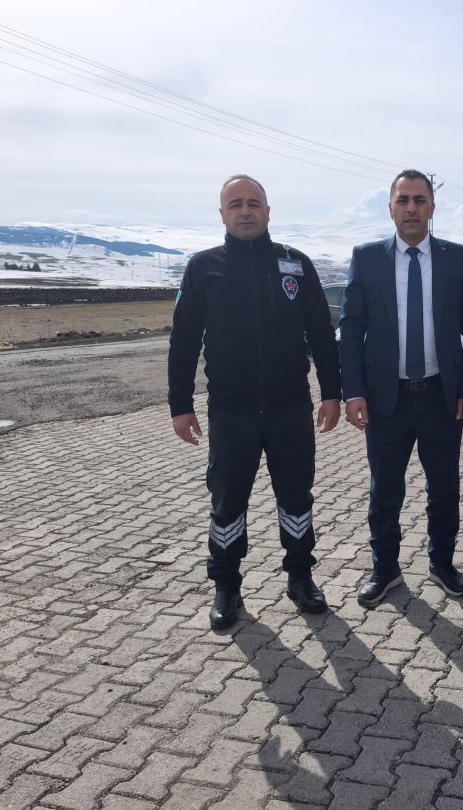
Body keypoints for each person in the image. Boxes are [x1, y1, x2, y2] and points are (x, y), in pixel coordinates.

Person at [168, 174, 341, 628]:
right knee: (228, 502)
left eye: (253, 203)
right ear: (222, 214)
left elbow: (321, 333)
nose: (245, 211)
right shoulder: (203, 267)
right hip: (231, 412)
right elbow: (183, 340)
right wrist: (179, 404)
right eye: (236, 204)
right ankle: (227, 586)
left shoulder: (296, 264)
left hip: (291, 408)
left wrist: (332, 393)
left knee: (296, 497)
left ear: (268, 211)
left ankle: (301, 577)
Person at [340, 169, 463, 608]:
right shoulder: (367, 258)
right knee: (385, 490)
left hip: (442, 396)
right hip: (386, 399)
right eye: (403, 200)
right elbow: (351, 329)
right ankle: (385, 568)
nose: (411, 208)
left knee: (444, 487)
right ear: (390, 208)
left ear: (432, 208)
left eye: (419, 200)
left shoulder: (456, 258)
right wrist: (353, 391)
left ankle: (442, 562)